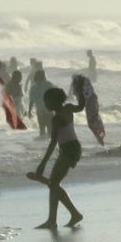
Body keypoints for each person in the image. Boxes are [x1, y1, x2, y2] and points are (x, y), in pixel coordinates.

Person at [26, 87, 85, 229]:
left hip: (69, 150)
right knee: (54, 184)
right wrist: (81, 91)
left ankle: (70, 215)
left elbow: (52, 143)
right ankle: (54, 220)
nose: (45, 104)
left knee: (53, 184)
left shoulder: (56, 119)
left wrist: (42, 165)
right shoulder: (69, 108)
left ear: (53, 101)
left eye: (46, 101)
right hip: (73, 148)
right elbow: (81, 106)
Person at [71, 74, 105, 146]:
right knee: (94, 121)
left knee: (92, 123)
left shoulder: (82, 91)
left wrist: (70, 108)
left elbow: (80, 106)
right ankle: (101, 138)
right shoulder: (87, 89)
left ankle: (101, 139)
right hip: (92, 102)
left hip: (91, 104)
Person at [27, 69, 56, 139]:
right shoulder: (49, 84)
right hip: (49, 111)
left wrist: (29, 111)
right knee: (50, 131)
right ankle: (48, 145)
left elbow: (31, 101)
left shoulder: (33, 87)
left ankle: (41, 145)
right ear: (44, 76)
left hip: (40, 112)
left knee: (42, 130)